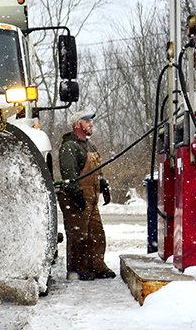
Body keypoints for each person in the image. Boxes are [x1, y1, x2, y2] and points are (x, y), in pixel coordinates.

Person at [58, 110, 115, 281]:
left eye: (91, 121)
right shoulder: (70, 147)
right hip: (77, 199)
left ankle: (97, 266)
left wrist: (104, 185)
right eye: (87, 120)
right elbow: (69, 175)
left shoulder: (89, 146)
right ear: (77, 125)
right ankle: (78, 270)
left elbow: (97, 171)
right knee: (79, 236)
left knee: (96, 234)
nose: (91, 124)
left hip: (91, 199)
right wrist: (76, 195)